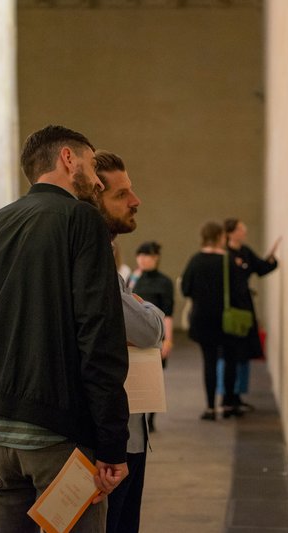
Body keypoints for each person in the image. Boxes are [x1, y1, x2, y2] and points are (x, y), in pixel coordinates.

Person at [0, 125, 129, 533]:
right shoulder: (81, 219)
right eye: (90, 163)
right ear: (68, 159)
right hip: (60, 439)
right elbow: (98, 335)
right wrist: (111, 443)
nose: (96, 177)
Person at [93, 150, 164, 533]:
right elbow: (148, 328)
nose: (135, 201)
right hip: (110, 441)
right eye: (121, 194)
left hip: (115, 433)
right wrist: (144, 309)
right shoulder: (92, 262)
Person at [180, 221, 249, 420]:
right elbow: (239, 291)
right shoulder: (228, 261)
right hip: (226, 320)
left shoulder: (195, 260)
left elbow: (185, 289)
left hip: (202, 319)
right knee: (230, 360)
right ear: (220, 237)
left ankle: (210, 408)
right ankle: (227, 404)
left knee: (209, 362)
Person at [219, 218, 279, 411]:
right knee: (229, 355)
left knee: (243, 353)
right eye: (241, 229)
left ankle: (237, 395)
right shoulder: (224, 254)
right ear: (231, 232)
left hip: (245, 308)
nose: (244, 232)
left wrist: (272, 259)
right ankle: (227, 397)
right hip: (230, 310)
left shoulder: (245, 251)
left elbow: (261, 268)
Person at [128, 240, 174, 432]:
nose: (143, 259)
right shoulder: (132, 277)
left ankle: (151, 419)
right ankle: (138, 417)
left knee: (154, 377)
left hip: (156, 334)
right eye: (141, 255)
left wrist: (168, 340)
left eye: (148, 256)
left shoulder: (164, 282)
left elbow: (168, 313)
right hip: (132, 336)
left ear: (156, 258)